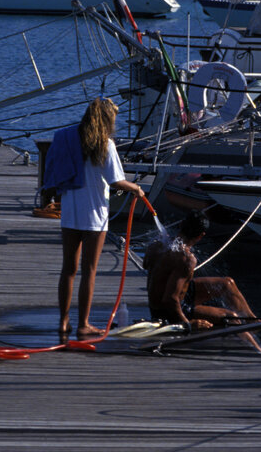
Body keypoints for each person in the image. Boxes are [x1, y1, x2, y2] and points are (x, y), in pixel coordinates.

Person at [143, 210, 261, 367]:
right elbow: (170, 299)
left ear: (181, 225)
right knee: (231, 317)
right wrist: (188, 325)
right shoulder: (186, 258)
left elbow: (146, 265)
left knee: (226, 283)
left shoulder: (157, 244)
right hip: (168, 312)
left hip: (169, 299)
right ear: (201, 235)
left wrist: (166, 268)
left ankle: (253, 322)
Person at [55, 98, 145, 341]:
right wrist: (136, 189)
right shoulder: (105, 144)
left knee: (68, 269)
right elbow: (116, 181)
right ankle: (83, 324)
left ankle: (63, 321)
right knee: (89, 271)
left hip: (70, 212)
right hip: (94, 216)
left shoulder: (70, 140)